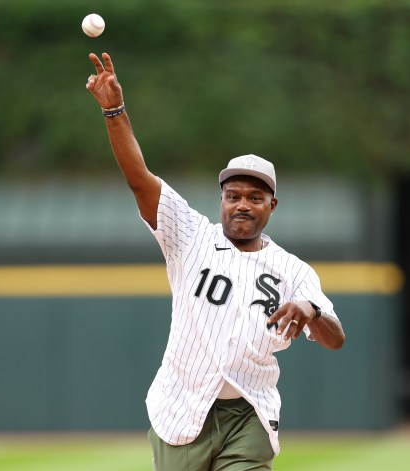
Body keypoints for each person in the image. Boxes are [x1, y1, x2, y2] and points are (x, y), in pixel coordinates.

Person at [85, 52, 345, 471]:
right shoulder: (189, 234)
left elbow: (335, 338)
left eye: (255, 197)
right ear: (221, 199)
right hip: (183, 405)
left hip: (249, 412)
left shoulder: (294, 271)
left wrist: (312, 309)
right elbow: (139, 177)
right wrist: (114, 110)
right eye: (234, 196)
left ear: (271, 205)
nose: (243, 205)